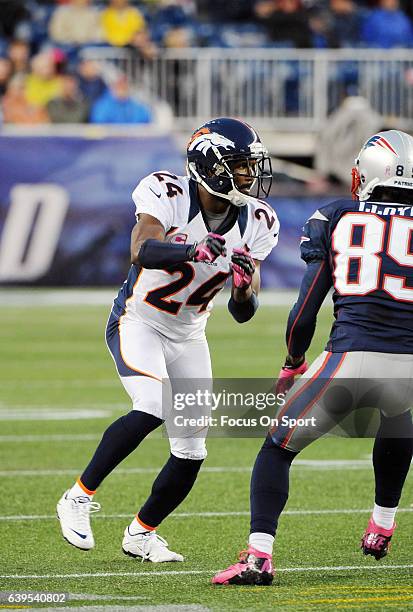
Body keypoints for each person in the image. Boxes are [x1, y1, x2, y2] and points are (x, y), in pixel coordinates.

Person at [57, 117, 279, 562]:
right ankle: (77, 497)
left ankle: (141, 533)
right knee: (152, 406)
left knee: (192, 449)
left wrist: (241, 287)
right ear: (209, 166)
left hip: (189, 334)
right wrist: (191, 250)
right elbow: (142, 248)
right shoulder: (167, 193)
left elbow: (243, 312)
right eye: (238, 167)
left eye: (250, 166)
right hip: (138, 320)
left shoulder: (259, 221)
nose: (248, 176)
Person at [212, 129, 413, 585]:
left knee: (277, 447)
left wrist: (293, 360)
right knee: (398, 414)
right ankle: (382, 525)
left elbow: (306, 308)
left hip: (351, 358)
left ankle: (259, 557)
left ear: (368, 174)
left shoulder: (337, 215)